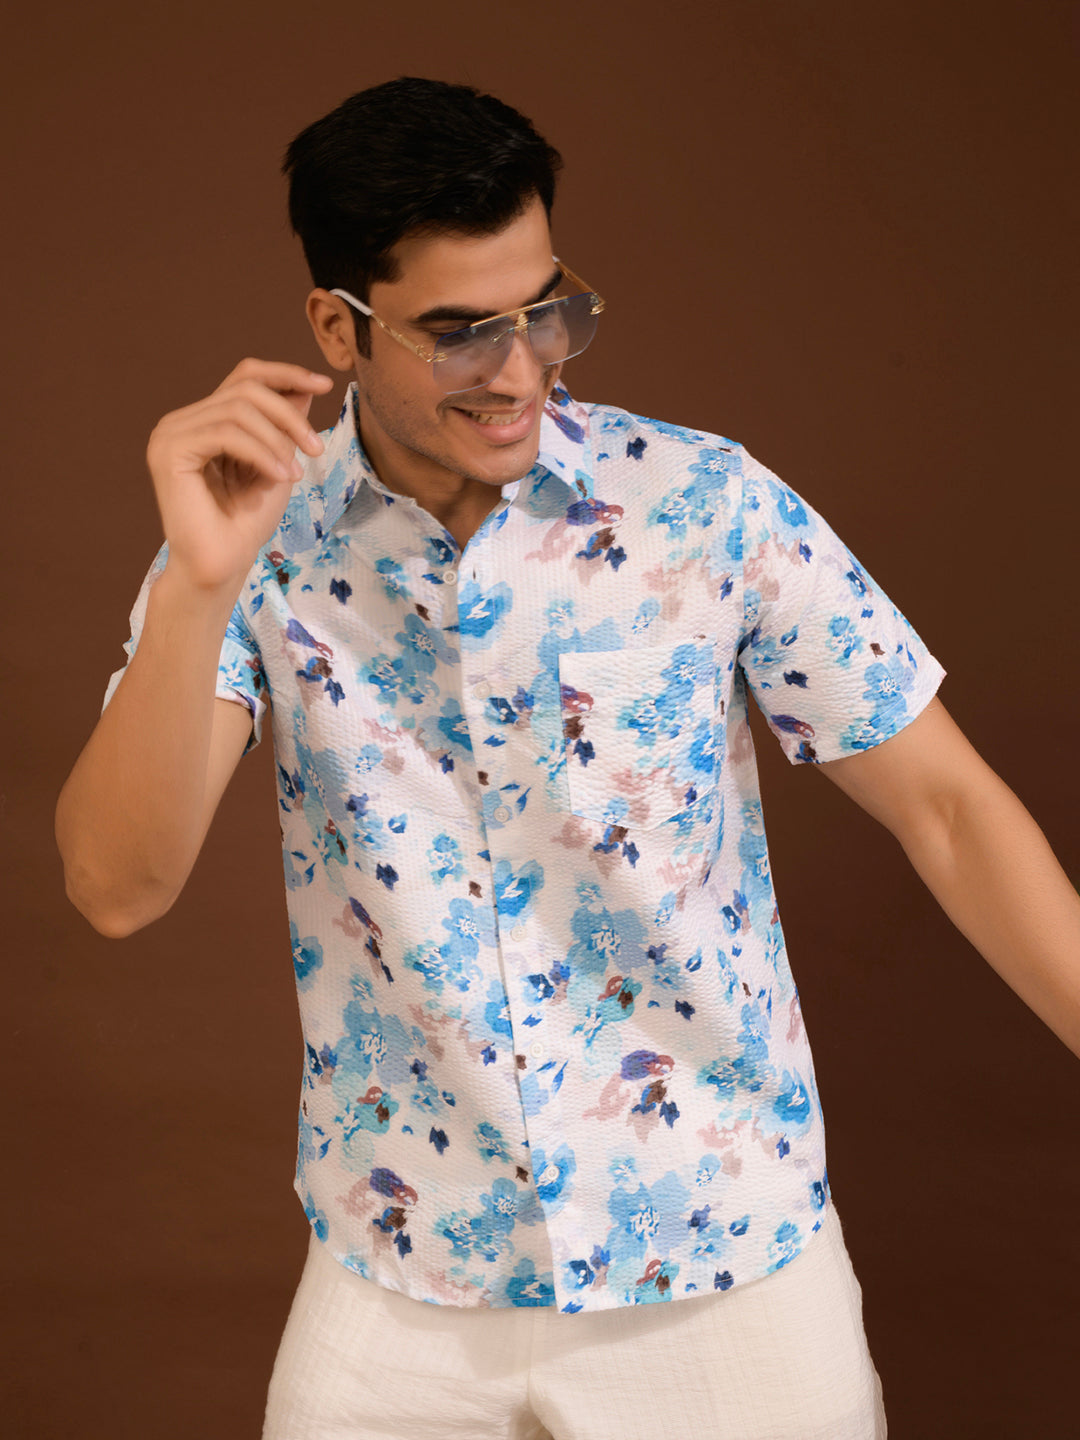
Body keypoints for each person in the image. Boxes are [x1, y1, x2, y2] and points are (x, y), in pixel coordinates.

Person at [55, 76, 1080, 1440]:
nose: (521, 370)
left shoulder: (704, 504)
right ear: (337, 328)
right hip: (402, 1275)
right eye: (458, 333)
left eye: (545, 310)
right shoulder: (252, 542)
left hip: (720, 1262)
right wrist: (198, 589)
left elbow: (947, 806)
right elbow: (116, 888)